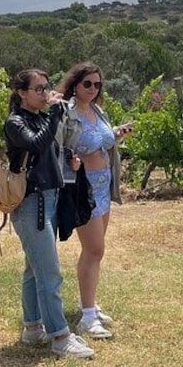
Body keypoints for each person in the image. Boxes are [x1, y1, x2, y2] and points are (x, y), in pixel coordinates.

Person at [5, 68, 94, 359]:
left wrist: (69, 158)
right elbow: (35, 143)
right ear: (22, 93)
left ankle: (32, 328)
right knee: (49, 272)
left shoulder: (41, 117)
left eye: (46, 88)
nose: (45, 94)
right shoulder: (16, 123)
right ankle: (59, 335)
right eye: (38, 89)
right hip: (32, 203)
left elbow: (51, 149)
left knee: (34, 268)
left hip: (49, 199)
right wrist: (55, 113)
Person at [57, 62, 133, 340]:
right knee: (94, 250)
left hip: (103, 186)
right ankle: (87, 318)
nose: (93, 89)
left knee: (95, 251)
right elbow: (59, 148)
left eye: (97, 84)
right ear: (75, 84)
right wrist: (70, 163)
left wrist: (116, 134)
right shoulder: (67, 115)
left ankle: (88, 304)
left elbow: (102, 141)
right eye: (87, 83)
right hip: (83, 189)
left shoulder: (97, 112)